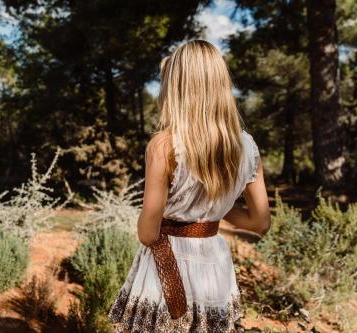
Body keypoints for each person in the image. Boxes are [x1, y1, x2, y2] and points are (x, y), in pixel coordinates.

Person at [107, 39, 271, 333]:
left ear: (177, 86)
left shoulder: (164, 145)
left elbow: (147, 233)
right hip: (215, 265)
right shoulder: (248, 147)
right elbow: (260, 222)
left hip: (168, 268)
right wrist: (217, 211)